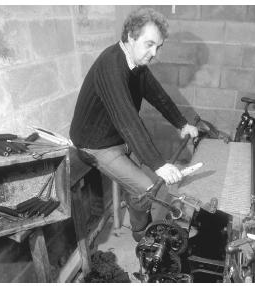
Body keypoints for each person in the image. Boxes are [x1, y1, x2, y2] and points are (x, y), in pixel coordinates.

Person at [69, 8, 198, 242]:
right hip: (94, 144)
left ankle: (136, 205)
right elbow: (128, 119)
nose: (154, 53)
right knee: (146, 187)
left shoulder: (135, 64)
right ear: (130, 36)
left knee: (148, 180)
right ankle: (144, 236)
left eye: (158, 47)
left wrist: (182, 124)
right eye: (149, 44)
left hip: (117, 136)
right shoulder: (111, 65)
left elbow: (158, 96)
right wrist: (158, 163)